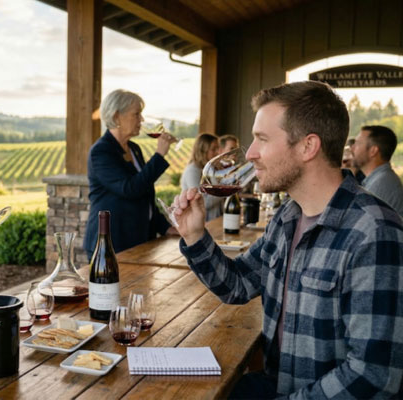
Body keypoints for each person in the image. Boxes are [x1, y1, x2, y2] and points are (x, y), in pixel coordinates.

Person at [172, 81, 403, 398]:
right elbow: (238, 284)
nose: (250, 154)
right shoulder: (287, 218)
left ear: (308, 147)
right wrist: (195, 235)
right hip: (278, 384)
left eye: (262, 139)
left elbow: (373, 376)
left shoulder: (375, 232)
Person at [83, 89, 177, 258]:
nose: (141, 119)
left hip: (138, 240)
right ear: (117, 116)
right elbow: (130, 189)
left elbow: (145, 195)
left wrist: (165, 227)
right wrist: (159, 155)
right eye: (137, 114)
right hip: (111, 244)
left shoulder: (134, 148)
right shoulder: (101, 152)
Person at [351, 125, 403, 215]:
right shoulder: (379, 179)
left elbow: (357, 219)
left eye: (358, 143)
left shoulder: (382, 183)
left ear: (373, 151)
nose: (352, 148)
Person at [180, 133, 223, 220]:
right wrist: (224, 190)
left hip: (214, 222)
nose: (218, 152)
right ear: (202, 150)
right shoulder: (192, 171)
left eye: (218, 148)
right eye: (214, 149)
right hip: (200, 225)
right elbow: (203, 202)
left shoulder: (210, 169)